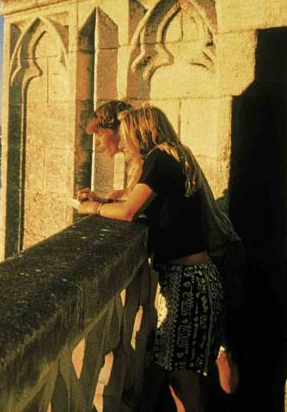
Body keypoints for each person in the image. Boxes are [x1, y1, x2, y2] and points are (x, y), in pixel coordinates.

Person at [79, 101, 245, 396]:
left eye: (127, 135)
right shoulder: (173, 156)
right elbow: (147, 201)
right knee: (183, 378)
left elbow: (130, 211)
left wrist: (92, 208)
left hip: (187, 283)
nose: (124, 144)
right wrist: (106, 199)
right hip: (197, 279)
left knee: (182, 380)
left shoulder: (160, 159)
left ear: (141, 133)